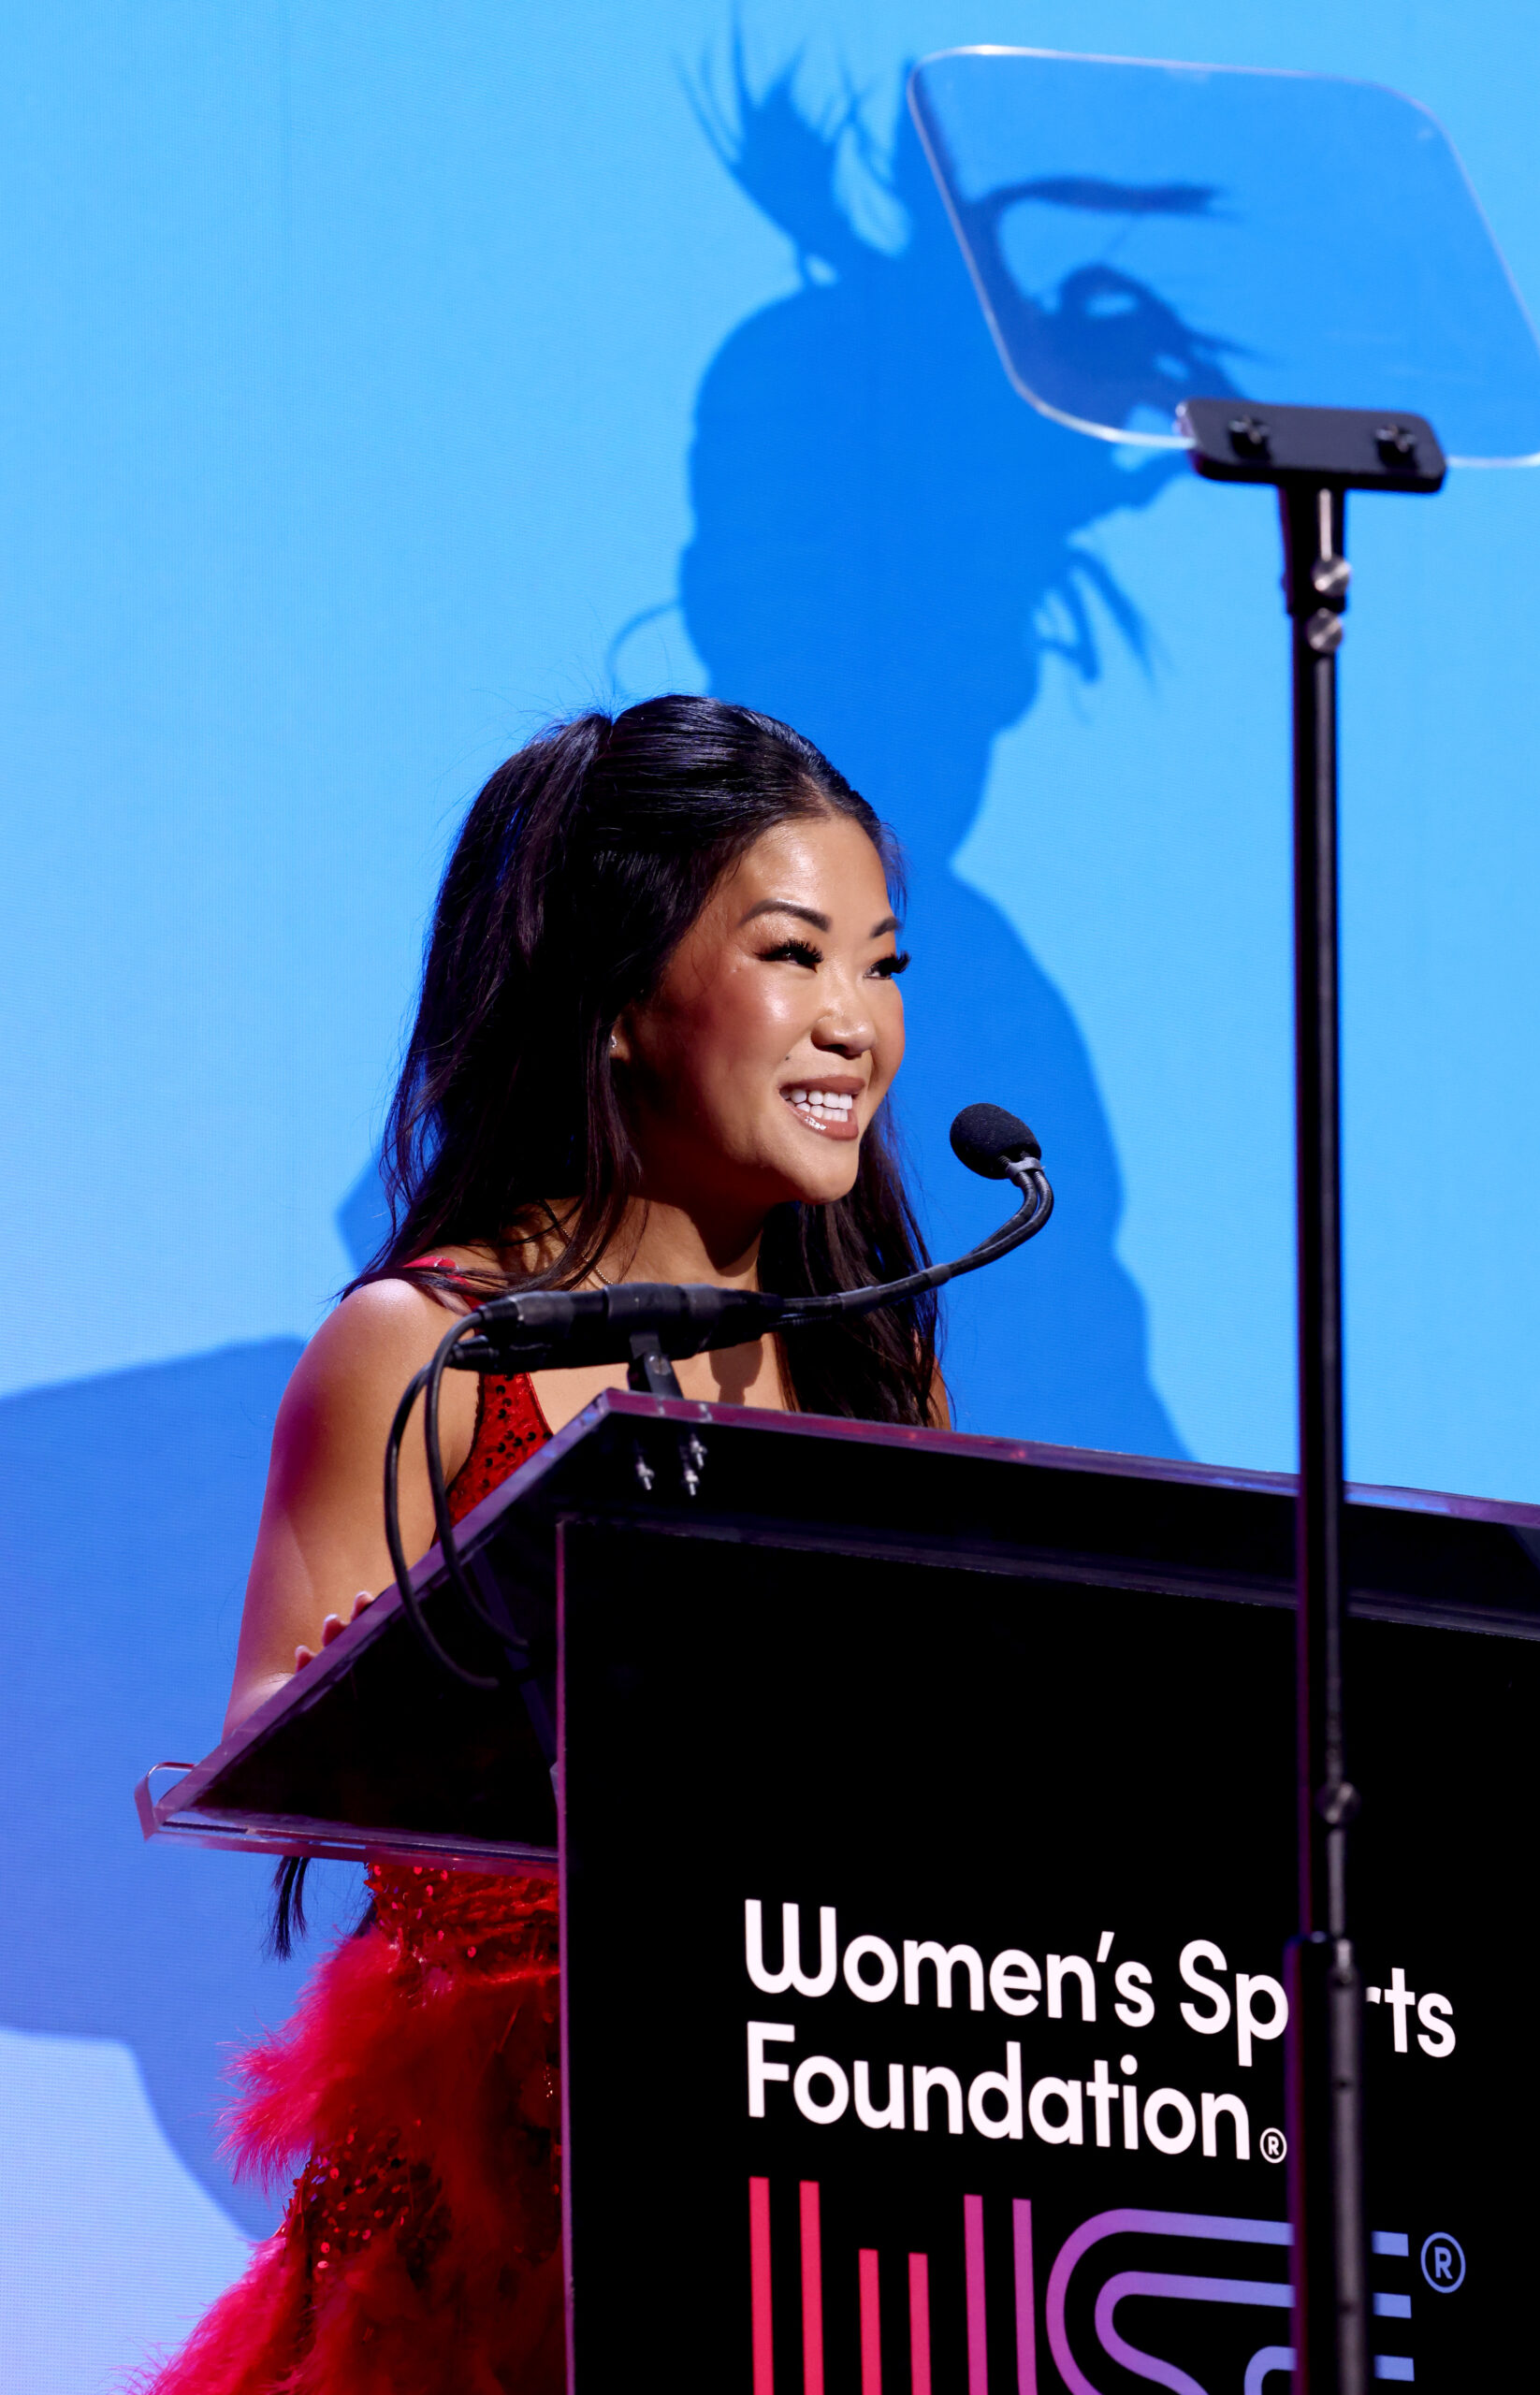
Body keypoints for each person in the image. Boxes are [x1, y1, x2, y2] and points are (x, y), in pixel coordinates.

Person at [140, 695, 944, 2395]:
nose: (855, 1028)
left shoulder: (876, 1360)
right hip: (500, 2204)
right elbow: (284, 1750)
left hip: (809, 2144)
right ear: (619, 997)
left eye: (882, 967)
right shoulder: (418, 1344)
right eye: (797, 956)